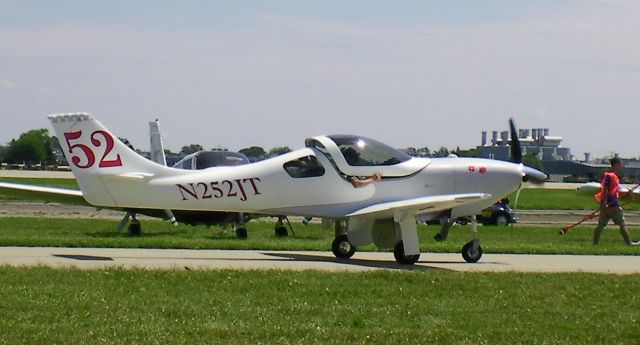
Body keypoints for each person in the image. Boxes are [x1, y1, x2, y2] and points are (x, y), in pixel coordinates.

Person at [593, 157, 639, 246]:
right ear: (616, 164)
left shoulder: (611, 176)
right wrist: (604, 203)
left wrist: (627, 192)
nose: (621, 166)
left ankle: (595, 244)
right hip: (612, 205)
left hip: (607, 205)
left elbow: (614, 191)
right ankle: (629, 243)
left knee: (600, 226)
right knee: (622, 224)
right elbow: (606, 190)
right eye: (620, 164)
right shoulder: (610, 176)